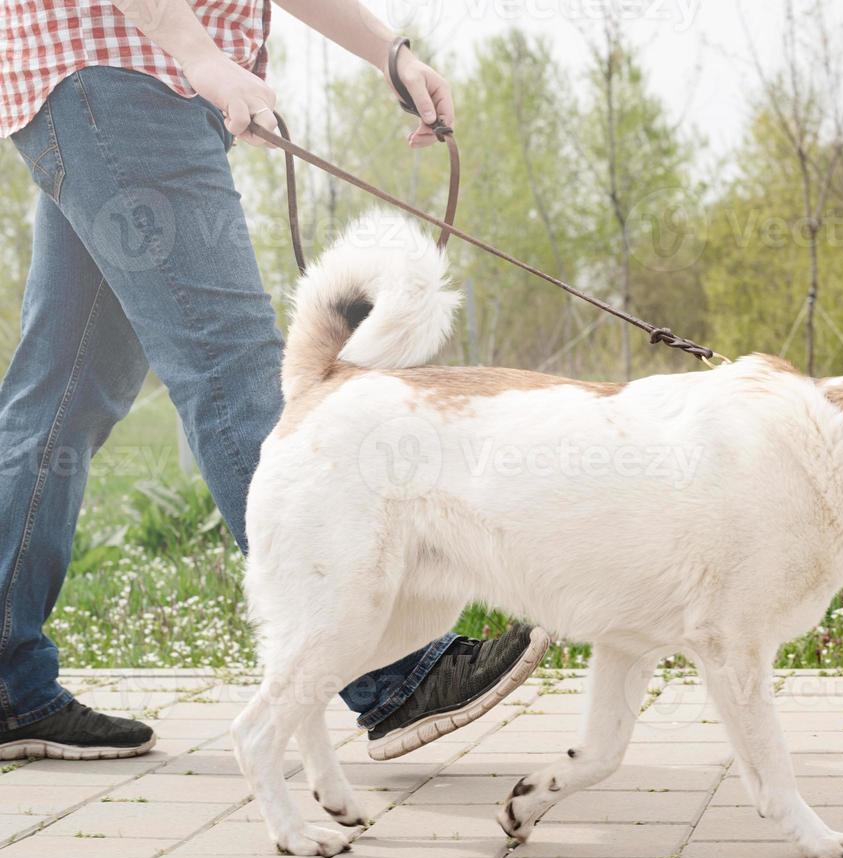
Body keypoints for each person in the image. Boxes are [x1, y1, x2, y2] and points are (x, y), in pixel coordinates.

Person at [0, 0, 542, 761]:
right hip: (126, 80)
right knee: (240, 382)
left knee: (58, 401)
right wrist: (201, 55)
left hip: (104, 88)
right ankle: (389, 672)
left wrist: (392, 55)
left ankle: (5, 684)